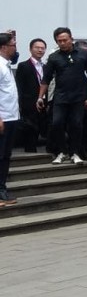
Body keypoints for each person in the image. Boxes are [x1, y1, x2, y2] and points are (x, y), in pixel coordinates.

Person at [37, 27, 87, 165]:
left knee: (76, 124)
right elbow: (46, 79)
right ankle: (62, 151)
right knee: (56, 123)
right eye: (59, 41)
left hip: (79, 96)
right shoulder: (54, 57)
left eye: (65, 40)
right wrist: (40, 97)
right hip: (60, 95)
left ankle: (75, 152)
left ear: (71, 39)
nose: (63, 43)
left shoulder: (83, 54)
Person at [15, 38, 47, 153]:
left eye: (42, 48)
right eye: (37, 48)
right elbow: (20, 86)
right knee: (30, 131)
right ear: (30, 49)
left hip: (44, 102)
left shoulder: (46, 67)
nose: (40, 50)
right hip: (29, 104)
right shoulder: (23, 66)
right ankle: (30, 153)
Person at [0, 32, 20, 206]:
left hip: (11, 116)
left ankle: (1, 188)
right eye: (13, 44)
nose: (15, 48)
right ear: (4, 47)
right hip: (3, 118)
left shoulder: (6, 64)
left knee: (5, 155)